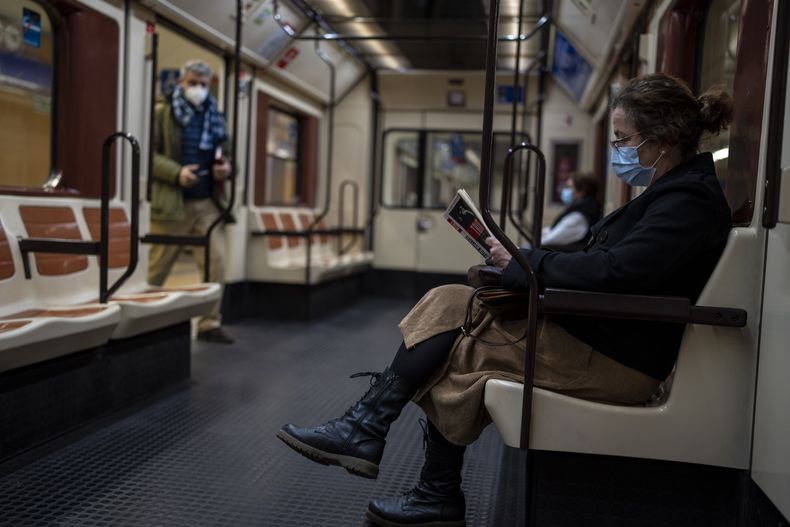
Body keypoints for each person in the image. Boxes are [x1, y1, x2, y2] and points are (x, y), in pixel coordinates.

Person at [277, 73, 733, 527]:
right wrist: (526, 265)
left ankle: (392, 453)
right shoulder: (671, 195)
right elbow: (616, 266)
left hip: (618, 361)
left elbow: (620, 271)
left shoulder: (688, 201)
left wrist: (529, 265)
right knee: (454, 300)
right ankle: (386, 448)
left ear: (663, 139)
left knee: (457, 349)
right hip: (602, 338)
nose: (618, 150)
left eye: (622, 139)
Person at [148, 60, 234, 344]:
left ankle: (209, 323)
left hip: (208, 201)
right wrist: (177, 173)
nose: (198, 88)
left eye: (203, 84)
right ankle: (144, 321)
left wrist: (227, 168)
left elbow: (228, 154)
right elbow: (148, 155)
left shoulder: (215, 116)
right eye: (193, 82)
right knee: (158, 266)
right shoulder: (163, 112)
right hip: (174, 201)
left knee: (216, 262)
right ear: (182, 82)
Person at [542, 172, 602, 250]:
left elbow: (550, 240)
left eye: (569, 187)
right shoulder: (582, 210)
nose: (565, 191)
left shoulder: (578, 217)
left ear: (582, 191)